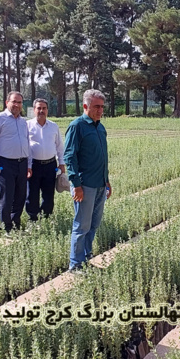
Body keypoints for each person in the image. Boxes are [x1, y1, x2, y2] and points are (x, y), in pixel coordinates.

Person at [64, 89, 111, 273]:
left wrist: (106, 180)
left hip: (99, 184)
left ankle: (86, 257)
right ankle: (75, 264)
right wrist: (76, 185)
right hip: (85, 185)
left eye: (102, 107)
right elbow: (69, 156)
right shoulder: (77, 126)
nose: (100, 110)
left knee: (93, 224)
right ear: (86, 106)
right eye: (96, 106)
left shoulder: (100, 127)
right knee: (82, 225)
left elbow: (103, 156)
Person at [0, 91, 32, 233]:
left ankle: (15, 224)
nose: (17, 105)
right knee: (7, 197)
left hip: (22, 163)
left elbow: (27, 143)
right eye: (14, 102)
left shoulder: (23, 122)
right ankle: (6, 228)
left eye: (19, 102)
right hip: (5, 164)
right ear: (7, 103)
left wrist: (29, 165)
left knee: (20, 196)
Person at [26, 99, 65, 221]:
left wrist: (62, 163)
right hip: (33, 166)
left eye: (44, 108)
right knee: (32, 194)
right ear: (34, 110)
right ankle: (33, 220)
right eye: (39, 108)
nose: (41, 111)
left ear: (47, 110)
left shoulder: (53, 126)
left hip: (50, 165)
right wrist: (27, 166)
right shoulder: (27, 126)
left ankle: (46, 218)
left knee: (49, 195)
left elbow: (59, 146)